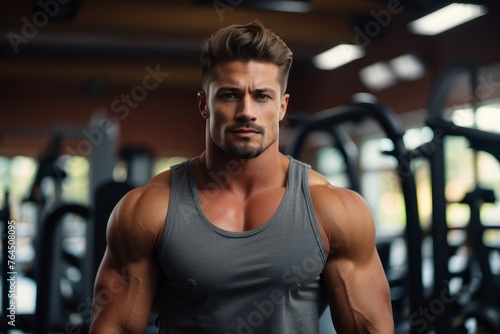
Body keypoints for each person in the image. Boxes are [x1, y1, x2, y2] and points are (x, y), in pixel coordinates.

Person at [90, 20, 394, 333]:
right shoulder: (149, 209)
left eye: (262, 96)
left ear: (281, 106)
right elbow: (115, 328)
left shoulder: (333, 209)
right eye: (230, 95)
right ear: (204, 105)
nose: (246, 111)